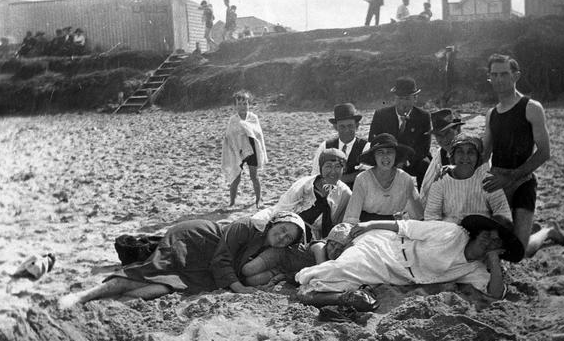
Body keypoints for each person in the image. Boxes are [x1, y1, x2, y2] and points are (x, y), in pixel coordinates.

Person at [58, 212, 306, 308]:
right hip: (195, 240)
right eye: (283, 229)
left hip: (205, 268)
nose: (283, 237)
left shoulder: (266, 248)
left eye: (289, 238)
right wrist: (239, 288)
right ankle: (85, 296)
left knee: (168, 286)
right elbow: (222, 259)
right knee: (151, 270)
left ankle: (113, 302)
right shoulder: (246, 226)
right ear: (275, 222)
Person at [296, 214, 525, 311]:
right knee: (338, 271)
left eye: (495, 242)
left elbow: (496, 294)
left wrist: (495, 262)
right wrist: (370, 225)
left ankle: (340, 297)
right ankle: (313, 283)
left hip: (394, 276)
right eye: (487, 235)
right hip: (384, 247)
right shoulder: (452, 233)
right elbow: (405, 226)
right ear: (478, 232)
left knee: (345, 279)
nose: (488, 242)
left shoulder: (474, 268)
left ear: (499, 248)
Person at [483, 53, 564, 258]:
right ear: (489, 78)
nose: (499, 79)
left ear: (515, 76)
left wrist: (512, 177)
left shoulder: (531, 108)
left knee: (518, 253)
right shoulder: (491, 114)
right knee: (490, 243)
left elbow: (544, 152)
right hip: (496, 183)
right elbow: (484, 155)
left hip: (523, 181)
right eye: (494, 75)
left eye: (504, 74)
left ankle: (547, 230)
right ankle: (525, 227)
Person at [255, 148, 352, 242]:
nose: (333, 171)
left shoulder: (345, 194)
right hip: (285, 225)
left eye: (338, 167)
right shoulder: (305, 184)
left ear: (343, 169)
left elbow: (339, 224)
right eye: (328, 166)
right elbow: (282, 209)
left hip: (312, 237)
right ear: (321, 167)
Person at [424, 134, 510, 223]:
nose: (465, 157)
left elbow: (503, 213)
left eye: (471, 152)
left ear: (478, 157)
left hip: (480, 232)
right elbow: (431, 216)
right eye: (460, 152)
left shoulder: (488, 181)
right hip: (449, 232)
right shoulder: (441, 180)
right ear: (452, 156)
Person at [343, 133, 424, 224]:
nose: (385, 157)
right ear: (374, 156)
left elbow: (419, 215)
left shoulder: (405, 179)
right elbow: (352, 216)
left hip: (394, 226)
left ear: (395, 155)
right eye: (380, 152)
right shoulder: (362, 179)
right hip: (366, 226)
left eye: (389, 152)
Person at [368, 77, 432, 190]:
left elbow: (424, 148)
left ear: (415, 98)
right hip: (386, 158)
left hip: (411, 160)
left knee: (425, 164)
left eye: (407, 99)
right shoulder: (381, 115)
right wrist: (389, 160)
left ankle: (423, 199)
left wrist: (404, 161)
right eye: (399, 98)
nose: (403, 103)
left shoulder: (423, 116)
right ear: (394, 98)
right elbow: (372, 141)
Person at [221, 90, 267, 208]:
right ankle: (232, 202)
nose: (243, 107)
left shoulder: (253, 118)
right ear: (235, 106)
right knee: (236, 178)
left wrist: (247, 130)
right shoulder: (233, 120)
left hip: (252, 150)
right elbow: (229, 137)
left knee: (254, 176)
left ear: (249, 104)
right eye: (240, 104)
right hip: (238, 151)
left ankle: (258, 200)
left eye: (245, 104)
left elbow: (258, 135)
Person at [311, 103, 370, 190]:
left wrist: (335, 179)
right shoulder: (325, 146)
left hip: (356, 195)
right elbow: (315, 174)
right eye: (342, 127)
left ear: (357, 126)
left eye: (350, 126)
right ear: (335, 127)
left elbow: (367, 174)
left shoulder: (366, 147)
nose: (346, 130)